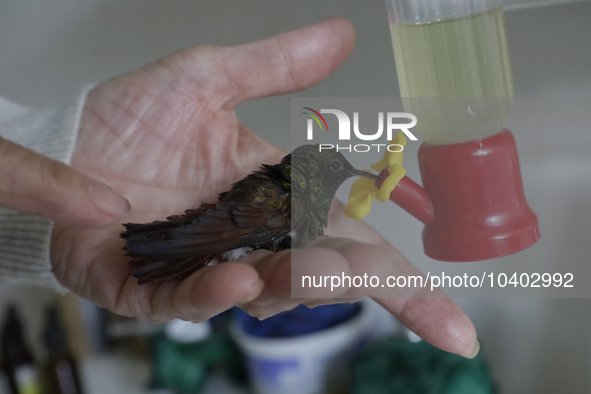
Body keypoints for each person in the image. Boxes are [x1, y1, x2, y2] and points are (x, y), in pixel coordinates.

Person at [0, 18, 478, 358]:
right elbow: (231, 227)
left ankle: (162, 245)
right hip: (226, 229)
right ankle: (160, 245)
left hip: (221, 227)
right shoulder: (284, 200)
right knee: (202, 240)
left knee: (210, 247)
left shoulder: (288, 193)